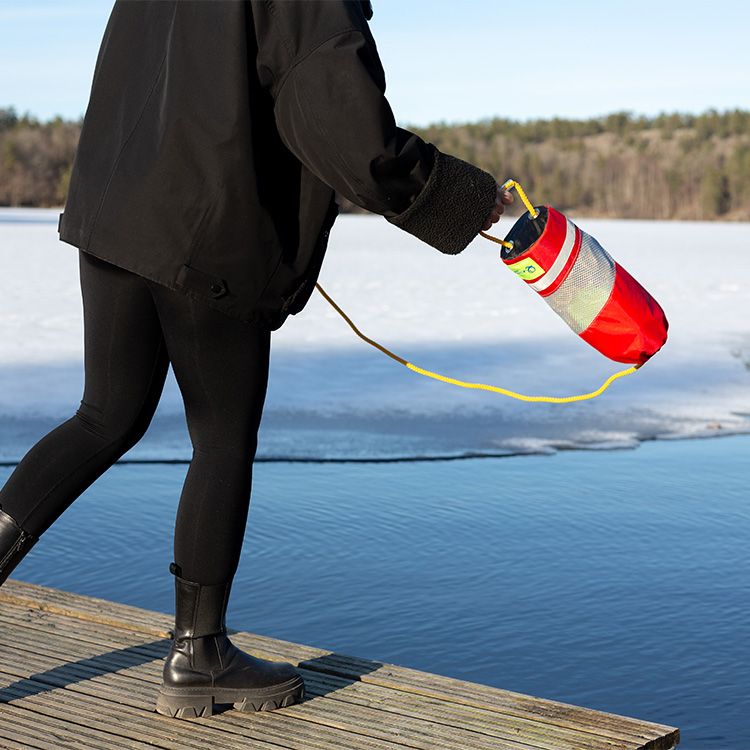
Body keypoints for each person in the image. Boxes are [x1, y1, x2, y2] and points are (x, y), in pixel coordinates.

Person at [0, 0, 512, 719]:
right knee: (222, 438)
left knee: (104, 416)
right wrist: (461, 197)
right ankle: (199, 657)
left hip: (115, 213)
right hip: (208, 230)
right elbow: (348, 129)